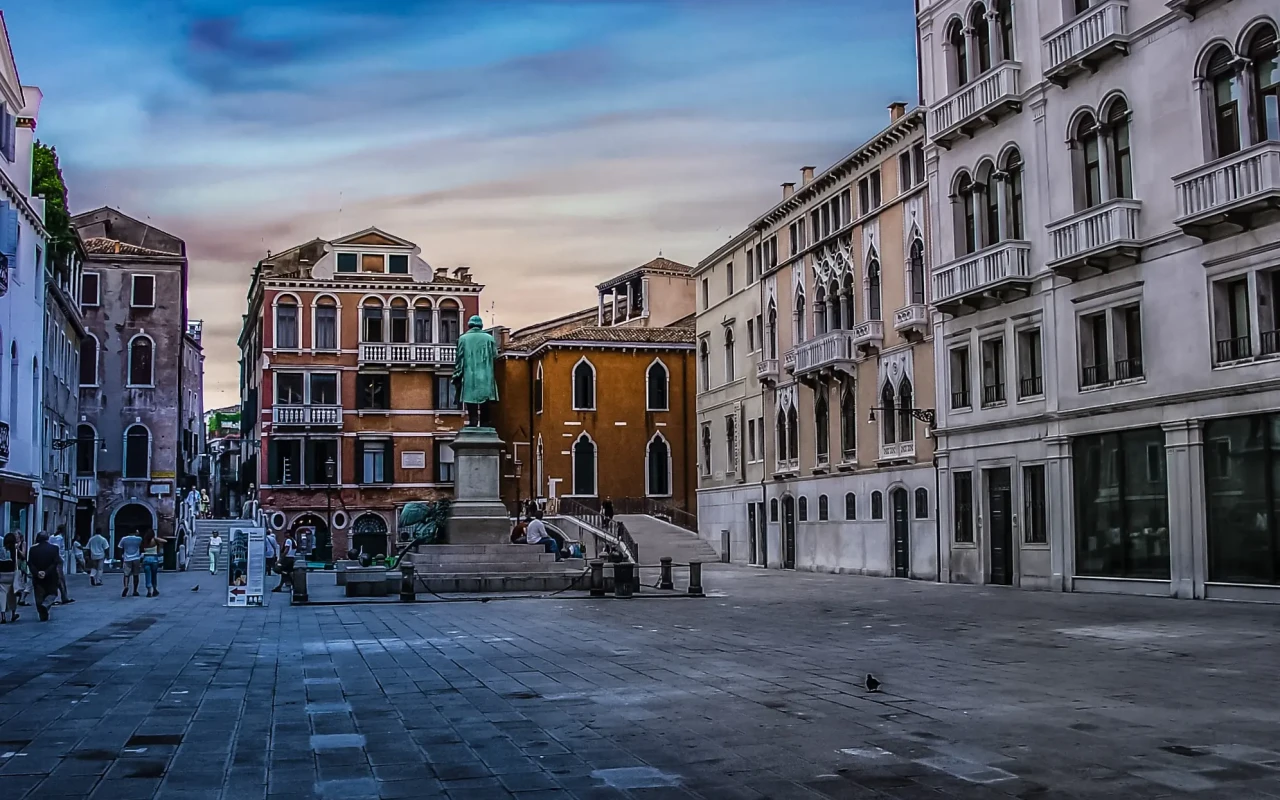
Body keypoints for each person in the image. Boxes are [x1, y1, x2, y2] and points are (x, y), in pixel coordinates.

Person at [451, 314, 499, 428]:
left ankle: (473, 421)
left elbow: (459, 358)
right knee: (485, 401)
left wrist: (457, 374)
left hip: (470, 375)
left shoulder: (463, 339)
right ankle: (485, 422)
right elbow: (495, 355)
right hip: (486, 375)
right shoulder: (489, 338)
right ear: (481, 325)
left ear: (469, 325)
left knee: (470, 399)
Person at [26, 532, 63, 622]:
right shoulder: (54, 548)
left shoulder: (33, 549)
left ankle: (42, 614)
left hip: (37, 577)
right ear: (47, 539)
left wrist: (37, 572)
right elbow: (55, 563)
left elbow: (30, 563)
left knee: (39, 595)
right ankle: (45, 605)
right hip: (51, 576)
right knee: (52, 593)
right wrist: (46, 572)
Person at [49, 526, 74, 605]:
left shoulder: (51, 537)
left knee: (58, 579)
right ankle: (62, 597)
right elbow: (57, 548)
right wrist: (58, 559)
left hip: (52, 560)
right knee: (60, 579)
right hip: (58, 560)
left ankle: (63, 597)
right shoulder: (59, 538)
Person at [140, 530, 167, 597]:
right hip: (154, 559)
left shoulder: (144, 541)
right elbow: (165, 541)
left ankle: (149, 591)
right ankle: (154, 589)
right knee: (154, 575)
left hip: (146, 559)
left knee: (147, 575)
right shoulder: (154, 540)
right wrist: (156, 538)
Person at [0, 530, 19, 623]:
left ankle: (2, 615)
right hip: (11, 574)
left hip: (2, 574)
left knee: (2, 595)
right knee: (12, 595)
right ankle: (13, 614)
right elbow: (16, 563)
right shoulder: (14, 550)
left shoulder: (1, 549)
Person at [118, 530, 144, 597]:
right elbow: (142, 546)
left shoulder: (124, 539)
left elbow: (120, 547)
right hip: (136, 558)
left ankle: (126, 586)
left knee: (126, 574)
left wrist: (121, 557)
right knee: (136, 575)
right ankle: (135, 590)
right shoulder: (139, 539)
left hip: (127, 558)